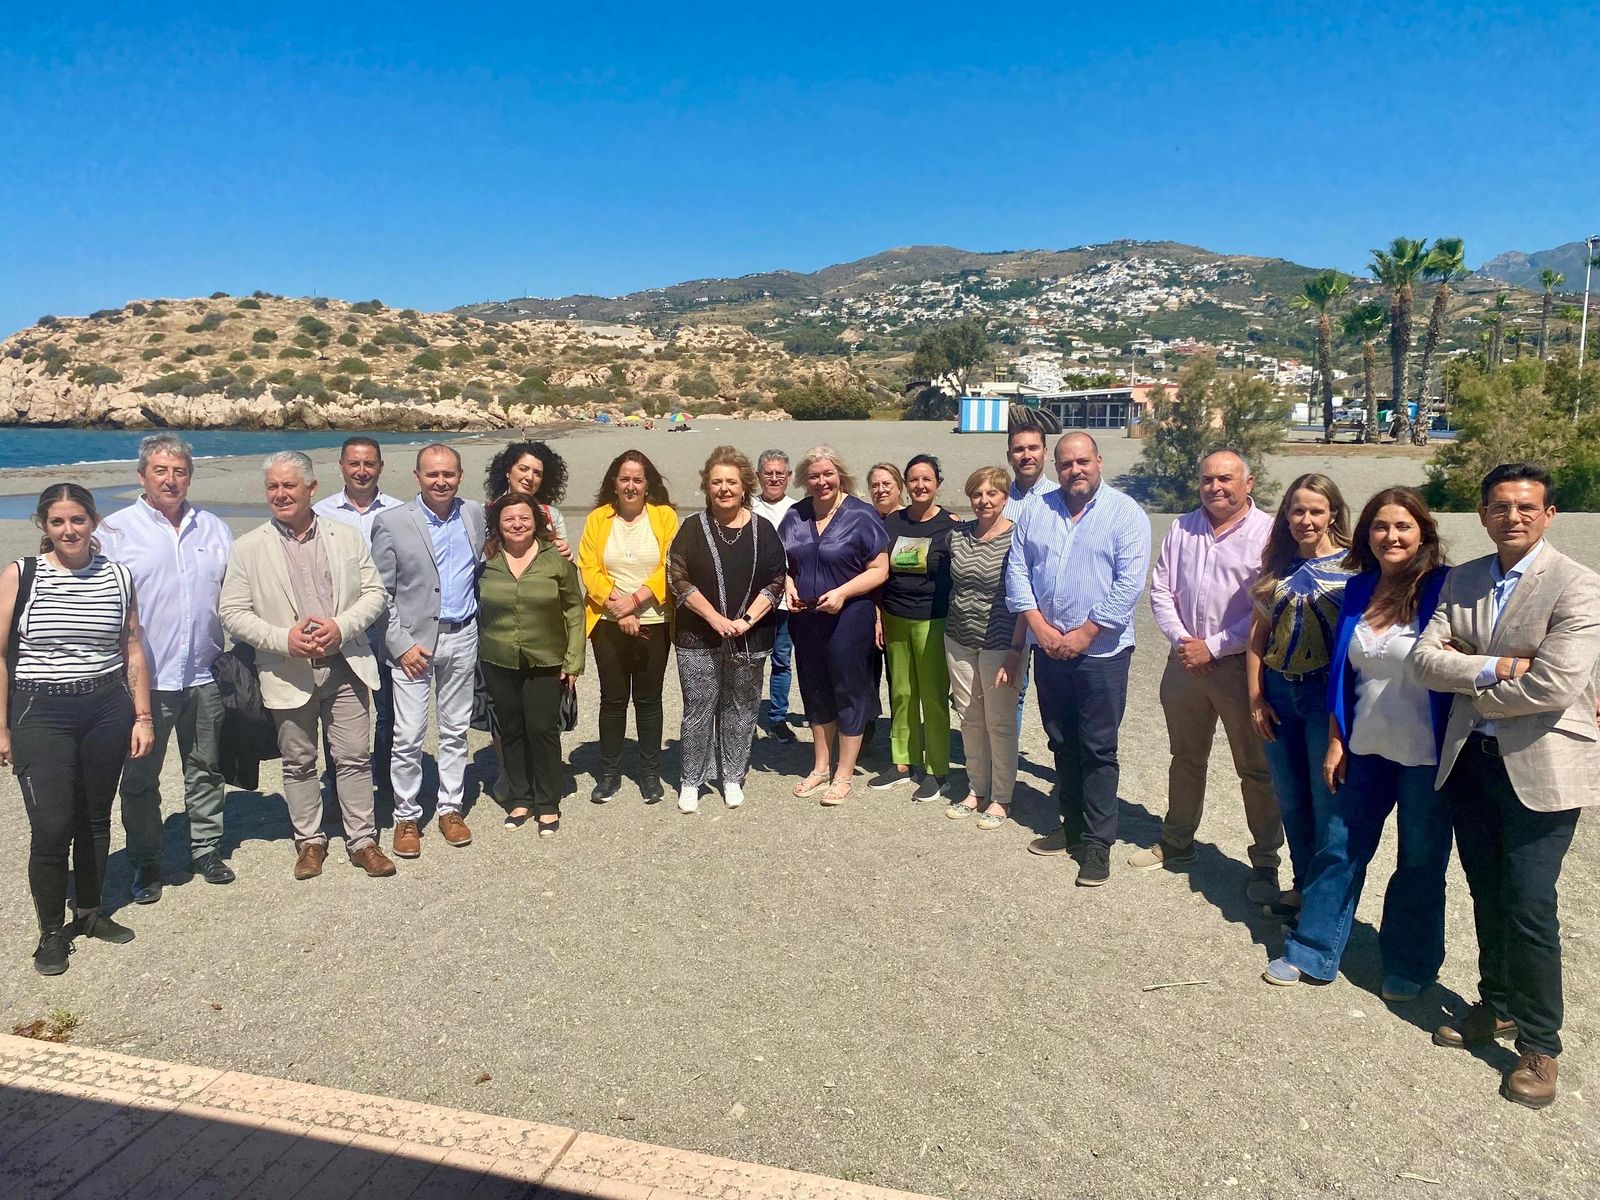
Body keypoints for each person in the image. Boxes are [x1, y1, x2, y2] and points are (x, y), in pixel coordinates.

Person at [1413, 463, 1600, 1110]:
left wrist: (1473, 678)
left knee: (1529, 902)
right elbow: (1424, 661)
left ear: (1550, 514)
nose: (1511, 516)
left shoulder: (1577, 586)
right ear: (1483, 514)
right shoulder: (1462, 579)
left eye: (1525, 507)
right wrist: (1496, 664)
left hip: (1543, 767)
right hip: (1473, 762)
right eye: (1499, 506)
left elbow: (1557, 684)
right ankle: (1494, 1006)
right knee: (1486, 891)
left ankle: (1541, 1043)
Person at [1264, 487, 1452, 996]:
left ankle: (1409, 964)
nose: (1391, 536)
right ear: (1366, 534)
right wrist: (1335, 738)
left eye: (1403, 526)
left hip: (1426, 756)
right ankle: (1312, 950)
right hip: (1365, 747)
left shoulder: (1446, 589)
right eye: (1380, 527)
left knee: (1419, 860)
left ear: (1422, 533)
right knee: (1340, 848)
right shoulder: (1359, 589)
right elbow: (1342, 677)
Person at [219, 451, 395, 880]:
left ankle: (363, 841)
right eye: (273, 487)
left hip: (344, 664)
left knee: (354, 756)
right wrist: (283, 639)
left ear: (311, 489)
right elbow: (232, 612)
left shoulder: (346, 537)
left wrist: (340, 626)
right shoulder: (248, 548)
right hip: (285, 669)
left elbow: (375, 594)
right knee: (298, 761)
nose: (280, 494)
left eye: (289, 486)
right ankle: (310, 842)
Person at [0, 484, 152, 975]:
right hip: (39, 711)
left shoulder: (119, 576)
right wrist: (1, 728)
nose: (69, 530)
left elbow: (132, 648)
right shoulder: (22, 575)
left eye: (78, 520)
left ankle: (88, 912)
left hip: (106, 708)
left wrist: (142, 715)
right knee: (51, 826)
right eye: (58, 522)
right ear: (44, 526)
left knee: (94, 818)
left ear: (94, 522)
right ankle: (49, 931)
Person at [1131, 450, 1280, 902]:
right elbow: (1160, 589)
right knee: (1185, 757)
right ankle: (1177, 842)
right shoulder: (1182, 526)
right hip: (1184, 664)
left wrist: (1213, 646)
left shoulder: (1269, 534)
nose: (1217, 487)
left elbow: (1267, 605)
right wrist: (1183, 641)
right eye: (1208, 480)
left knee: (1255, 769)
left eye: (1226, 479)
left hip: (1239, 667)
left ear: (1248, 483)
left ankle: (1266, 863)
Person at [1006, 433, 1150, 887]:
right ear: (1057, 465)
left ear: (1099, 461)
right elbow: (1018, 570)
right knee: (1061, 741)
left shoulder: (1126, 513)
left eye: (1083, 462)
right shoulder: (1037, 510)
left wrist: (1086, 632)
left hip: (1102, 653)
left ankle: (1097, 842)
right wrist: (1040, 628)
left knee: (1098, 747)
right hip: (1049, 647)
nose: (1075, 471)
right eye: (1067, 464)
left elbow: (1128, 584)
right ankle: (1069, 826)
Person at [98, 434, 236, 902]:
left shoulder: (214, 529)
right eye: (160, 470)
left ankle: (206, 848)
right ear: (142, 476)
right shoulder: (114, 532)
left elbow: (234, 597)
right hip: (143, 683)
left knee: (206, 767)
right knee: (139, 780)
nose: (170, 480)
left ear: (190, 476)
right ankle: (146, 862)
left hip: (203, 673)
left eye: (179, 471)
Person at [370, 445, 486, 857]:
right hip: (413, 645)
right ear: (417, 476)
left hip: (463, 635)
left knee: (455, 730)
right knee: (408, 735)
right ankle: (406, 816)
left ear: (460, 475)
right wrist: (400, 645)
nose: (441, 481)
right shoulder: (392, 522)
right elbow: (380, 592)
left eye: (449, 474)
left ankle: (450, 809)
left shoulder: (473, 514)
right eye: (433, 474)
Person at [1246, 474, 1354, 913]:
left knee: (1326, 796)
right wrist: (1255, 697)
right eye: (1297, 511)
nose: (1306, 520)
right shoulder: (1277, 569)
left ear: (1332, 514)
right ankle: (1301, 882)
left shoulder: (1355, 570)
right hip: (1277, 692)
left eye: (1315, 511)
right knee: (1290, 798)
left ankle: (1323, 901)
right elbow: (1258, 638)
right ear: (1286, 515)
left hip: (1323, 698)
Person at [669, 447, 787, 813]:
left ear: (744, 486)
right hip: (697, 636)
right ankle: (691, 780)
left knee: (742, 707)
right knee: (699, 707)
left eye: (731, 482)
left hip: (750, 635)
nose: (724, 489)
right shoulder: (691, 527)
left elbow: (776, 579)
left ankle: (732, 776)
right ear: (707, 486)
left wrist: (746, 620)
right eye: (716, 482)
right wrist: (715, 619)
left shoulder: (762, 529)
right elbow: (677, 578)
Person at [780, 447, 890, 806]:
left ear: (839, 474)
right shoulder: (795, 515)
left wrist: (842, 593)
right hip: (805, 616)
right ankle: (820, 766)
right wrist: (788, 584)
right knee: (813, 687)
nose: (821, 481)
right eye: (813, 476)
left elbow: (879, 569)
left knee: (848, 688)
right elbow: (780, 562)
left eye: (828, 474)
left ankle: (844, 773)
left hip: (848, 615)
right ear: (804, 480)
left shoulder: (861, 514)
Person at [477, 494, 584, 837]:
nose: (517, 524)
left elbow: (574, 610)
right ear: (498, 524)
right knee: (510, 728)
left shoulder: (556, 560)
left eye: (524, 518)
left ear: (536, 522)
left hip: (546, 658)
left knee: (542, 729)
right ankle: (520, 796)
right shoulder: (488, 561)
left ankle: (548, 802)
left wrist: (574, 661)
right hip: (498, 658)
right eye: (509, 519)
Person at [578, 450, 679, 804]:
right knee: (613, 699)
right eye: (624, 479)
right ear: (614, 483)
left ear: (648, 484)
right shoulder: (597, 519)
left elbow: (671, 566)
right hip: (608, 621)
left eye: (638, 479)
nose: (631, 485)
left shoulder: (664, 517)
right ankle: (609, 773)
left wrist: (635, 601)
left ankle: (650, 773)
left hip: (655, 620)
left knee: (649, 700)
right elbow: (588, 567)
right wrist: (619, 608)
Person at [312, 436, 401, 804]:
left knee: (389, 709)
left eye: (369, 464)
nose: (361, 471)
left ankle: (384, 781)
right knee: (337, 710)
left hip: (387, 624)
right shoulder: (320, 512)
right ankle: (339, 788)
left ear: (380, 467)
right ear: (342, 466)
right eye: (354, 464)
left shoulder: (398, 511)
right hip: (339, 626)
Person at [871, 454, 960, 801]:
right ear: (905, 485)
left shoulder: (951, 525)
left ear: (937, 483)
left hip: (932, 620)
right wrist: (878, 616)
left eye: (926, 479)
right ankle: (902, 761)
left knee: (933, 697)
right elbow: (879, 571)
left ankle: (939, 771)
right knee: (902, 693)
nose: (920, 486)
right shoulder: (891, 523)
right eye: (913, 480)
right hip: (895, 617)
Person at [943, 467, 1026, 830]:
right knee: (969, 718)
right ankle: (976, 788)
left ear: (1005, 497)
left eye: (992, 493)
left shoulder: (1017, 539)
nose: (984, 500)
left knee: (1000, 722)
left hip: (1000, 643)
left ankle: (1001, 797)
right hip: (958, 638)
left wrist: (1017, 649)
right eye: (978, 494)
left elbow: (1027, 597)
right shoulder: (957, 536)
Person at [751, 449, 798, 743]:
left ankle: (777, 717)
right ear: (758, 477)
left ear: (789, 477)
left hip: (785, 601)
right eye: (768, 473)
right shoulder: (748, 507)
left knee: (782, 659)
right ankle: (743, 713)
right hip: (752, 600)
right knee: (751, 660)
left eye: (780, 473)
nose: (774, 478)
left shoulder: (798, 510)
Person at [485, 439, 572, 558]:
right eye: (523, 469)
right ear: (507, 472)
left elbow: (565, 561)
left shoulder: (552, 516)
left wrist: (563, 550)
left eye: (537, 473)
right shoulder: (484, 513)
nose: (530, 477)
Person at [1003, 423, 1059, 519]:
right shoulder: (998, 499)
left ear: (1045, 453)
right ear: (1009, 457)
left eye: (1033, 448)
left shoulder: (1062, 498)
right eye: (1019, 449)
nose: (1027, 456)